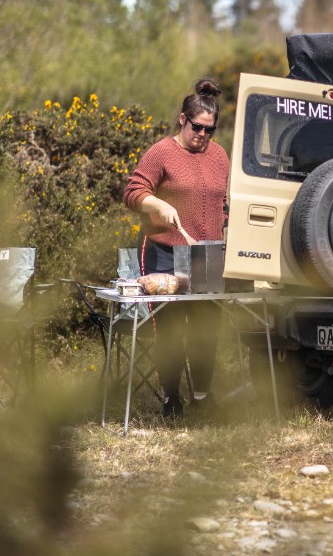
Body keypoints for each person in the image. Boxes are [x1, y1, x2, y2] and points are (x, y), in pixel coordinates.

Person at [123, 78, 230, 419]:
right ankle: (171, 399)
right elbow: (133, 191)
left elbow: (223, 201)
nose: (202, 135)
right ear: (183, 120)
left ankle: (201, 396)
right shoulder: (161, 152)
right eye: (197, 127)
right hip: (165, 251)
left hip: (206, 254)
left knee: (204, 328)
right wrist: (155, 204)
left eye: (209, 130)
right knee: (170, 329)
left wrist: (226, 226)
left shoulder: (220, 156)